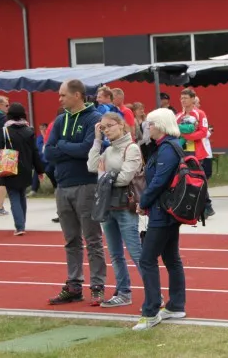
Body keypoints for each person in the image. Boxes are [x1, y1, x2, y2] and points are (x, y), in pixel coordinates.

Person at [45, 79, 107, 306]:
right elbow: (48, 152)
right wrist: (69, 149)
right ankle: (74, 285)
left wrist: (62, 146)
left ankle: (98, 286)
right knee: (71, 239)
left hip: (86, 185)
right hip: (63, 186)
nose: (59, 99)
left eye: (63, 95)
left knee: (92, 239)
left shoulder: (94, 118)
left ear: (77, 95)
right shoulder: (60, 120)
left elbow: (87, 150)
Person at [134, 108, 186, 331]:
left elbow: (158, 182)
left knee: (147, 259)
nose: (148, 127)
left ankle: (151, 311)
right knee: (171, 258)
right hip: (167, 211)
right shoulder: (169, 146)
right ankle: (175, 306)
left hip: (161, 212)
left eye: (151, 124)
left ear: (162, 125)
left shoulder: (167, 148)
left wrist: (143, 202)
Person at [88, 112, 143, 308]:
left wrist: (104, 176)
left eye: (110, 125)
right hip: (108, 206)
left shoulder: (131, 148)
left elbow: (125, 178)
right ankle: (123, 292)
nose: (106, 130)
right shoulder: (108, 150)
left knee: (136, 253)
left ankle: (155, 293)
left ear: (121, 125)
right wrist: (97, 140)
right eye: (103, 127)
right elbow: (92, 166)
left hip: (125, 207)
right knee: (115, 254)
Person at [0, 103, 45, 235]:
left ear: (9, 115)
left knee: (13, 196)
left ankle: (19, 226)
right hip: (26, 168)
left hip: (9, 167)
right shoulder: (29, 130)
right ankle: (22, 223)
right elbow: (35, 152)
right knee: (22, 194)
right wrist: (40, 170)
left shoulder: (5, 131)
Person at [176, 88, 214, 218]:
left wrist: (187, 136)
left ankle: (207, 206)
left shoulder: (200, 114)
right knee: (185, 179)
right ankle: (191, 207)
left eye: (185, 98)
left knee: (199, 179)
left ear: (193, 99)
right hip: (182, 152)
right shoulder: (178, 116)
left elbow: (203, 132)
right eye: (181, 98)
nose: (183, 100)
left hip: (196, 153)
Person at [27, 123, 49, 197]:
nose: (42, 130)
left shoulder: (51, 137)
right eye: (41, 129)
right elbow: (37, 150)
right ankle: (33, 190)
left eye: (44, 128)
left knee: (50, 170)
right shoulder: (39, 138)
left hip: (50, 161)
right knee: (37, 169)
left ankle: (56, 187)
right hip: (42, 160)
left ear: (47, 128)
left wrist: (45, 137)